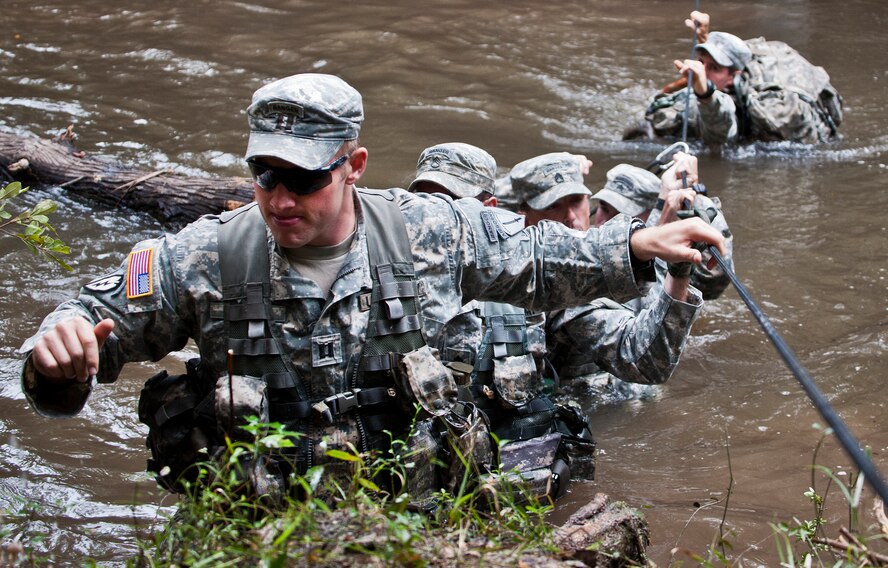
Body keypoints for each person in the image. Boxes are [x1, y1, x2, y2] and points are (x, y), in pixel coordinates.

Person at [18, 73, 724, 502]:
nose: (279, 197)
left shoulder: (432, 230)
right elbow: (83, 340)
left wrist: (636, 246)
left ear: (353, 164)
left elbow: (542, 261)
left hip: (415, 524)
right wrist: (57, 356)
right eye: (265, 173)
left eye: (303, 178)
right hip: (265, 533)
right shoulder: (203, 257)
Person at [408, 144, 704, 496]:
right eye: (425, 205)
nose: (437, 221)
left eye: (577, 201)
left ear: (490, 214)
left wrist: (678, 270)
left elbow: (643, 359)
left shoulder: (550, 291)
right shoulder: (381, 272)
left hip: (508, 480)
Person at [507, 152, 705, 411]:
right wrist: (678, 268)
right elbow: (644, 357)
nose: (572, 217)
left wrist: (663, 204)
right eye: (552, 206)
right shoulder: (554, 281)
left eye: (576, 201)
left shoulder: (584, 256)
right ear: (524, 215)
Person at [625, 10, 843, 145]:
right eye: (702, 63)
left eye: (714, 68)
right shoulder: (717, 76)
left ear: (734, 76)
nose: (704, 71)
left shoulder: (767, 107)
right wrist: (704, 38)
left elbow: (721, 135)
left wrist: (706, 94)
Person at [590, 156, 734, 300]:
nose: (605, 223)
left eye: (621, 217)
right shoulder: (583, 242)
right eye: (604, 208)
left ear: (650, 215)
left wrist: (697, 200)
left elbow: (712, 283)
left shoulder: (676, 249)